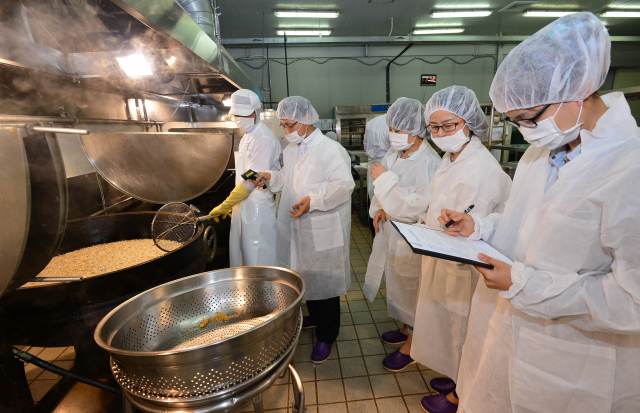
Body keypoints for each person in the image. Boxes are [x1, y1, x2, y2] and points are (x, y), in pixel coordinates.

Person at [440, 12, 640, 413]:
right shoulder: (541, 151)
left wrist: (525, 285)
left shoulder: (629, 169)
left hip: (575, 359)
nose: (524, 131)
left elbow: (632, 301)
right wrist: (479, 226)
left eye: (527, 118)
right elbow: (526, 226)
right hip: (508, 332)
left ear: (578, 92)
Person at [411, 86, 512, 413]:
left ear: (469, 122)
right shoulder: (451, 158)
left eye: (449, 126)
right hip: (445, 255)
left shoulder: (479, 167)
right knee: (449, 322)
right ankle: (456, 375)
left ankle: (461, 395)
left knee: (465, 326)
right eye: (435, 128)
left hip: (467, 264)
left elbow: (471, 224)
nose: (441, 134)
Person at [255, 96, 355, 363]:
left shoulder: (330, 150)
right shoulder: (291, 149)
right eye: (283, 125)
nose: (286, 131)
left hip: (321, 225)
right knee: (304, 274)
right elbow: (288, 181)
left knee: (325, 281)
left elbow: (343, 186)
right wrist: (271, 177)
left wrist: (313, 200)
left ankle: (327, 335)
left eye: (289, 125)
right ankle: (315, 316)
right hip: (296, 224)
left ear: (307, 120)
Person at [362, 97, 441, 372]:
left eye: (398, 129)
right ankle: (408, 329)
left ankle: (414, 345)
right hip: (393, 233)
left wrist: (386, 185)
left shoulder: (429, 161)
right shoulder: (394, 155)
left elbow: (414, 207)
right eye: (391, 129)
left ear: (416, 129)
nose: (392, 135)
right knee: (399, 286)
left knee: (415, 290)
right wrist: (382, 208)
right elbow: (389, 196)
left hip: (414, 238)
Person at [209, 89, 281, 267]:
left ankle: (262, 294)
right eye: (236, 115)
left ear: (256, 112)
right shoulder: (248, 137)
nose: (239, 119)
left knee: (258, 258)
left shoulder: (264, 139)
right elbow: (247, 172)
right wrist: (236, 203)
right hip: (245, 203)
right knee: (243, 255)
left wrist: (227, 204)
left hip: (258, 207)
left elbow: (252, 180)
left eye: (243, 114)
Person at [363, 114, 390, 201]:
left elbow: (365, 144)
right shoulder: (391, 122)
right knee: (387, 199)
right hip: (387, 163)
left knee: (374, 198)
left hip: (372, 163)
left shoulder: (371, 122)